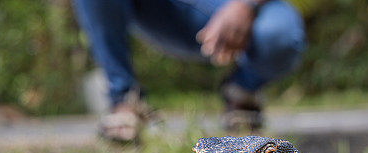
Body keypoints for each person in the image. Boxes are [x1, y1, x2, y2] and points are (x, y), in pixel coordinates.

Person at [73, 0, 306, 142]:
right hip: (163, 9)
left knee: (280, 35)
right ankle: (124, 100)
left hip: (248, 7)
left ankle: (243, 92)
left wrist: (247, 4)